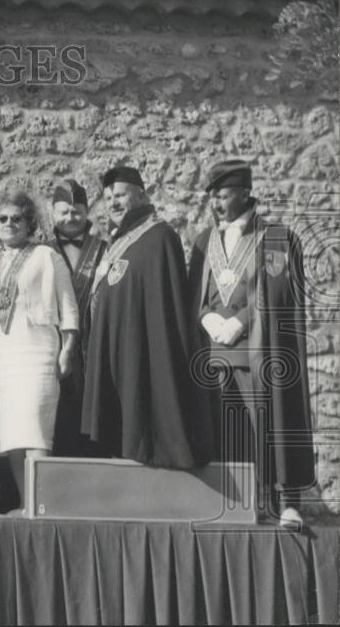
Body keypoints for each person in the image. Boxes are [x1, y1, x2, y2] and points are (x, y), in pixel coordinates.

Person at [187, 159, 315, 527]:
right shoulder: (202, 241)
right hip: (213, 356)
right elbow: (196, 295)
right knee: (224, 433)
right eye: (212, 197)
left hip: (257, 353)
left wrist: (241, 323)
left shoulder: (276, 237)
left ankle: (285, 503)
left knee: (268, 427)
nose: (216, 204)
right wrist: (206, 317)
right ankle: (234, 505)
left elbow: (277, 298)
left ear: (245, 193)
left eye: (224, 196)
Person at [81, 166, 213, 468]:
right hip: (116, 346)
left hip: (141, 346)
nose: (113, 202)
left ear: (141, 195)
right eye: (109, 197)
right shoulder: (120, 240)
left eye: (121, 195)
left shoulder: (159, 236)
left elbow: (163, 307)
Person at [0, 192, 79, 515]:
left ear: (29, 223)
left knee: (36, 428)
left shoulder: (45, 256)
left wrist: (67, 349)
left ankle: (43, 504)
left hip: (36, 351)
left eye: (16, 218)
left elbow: (68, 304)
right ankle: (26, 504)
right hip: (0, 355)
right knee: (10, 432)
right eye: (2, 219)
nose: (9, 224)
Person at [47, 179, 108, 457]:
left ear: (87, 213)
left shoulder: (107, 248)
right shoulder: (41, 251)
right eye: (64, 212)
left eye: (77, 212)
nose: (71, 218)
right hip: (52, 344)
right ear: (53, 214)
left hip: (96, 345)